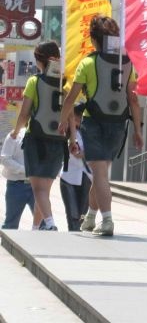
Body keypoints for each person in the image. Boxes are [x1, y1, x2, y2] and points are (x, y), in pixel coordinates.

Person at [58, 15, 143, 237]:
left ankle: (107, 220)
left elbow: (71, 97)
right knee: (100, 173)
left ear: (94, 39)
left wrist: (62, 121)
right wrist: (139, 130)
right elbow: (133, 98)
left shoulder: (88, 62)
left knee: (99, 174)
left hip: (94, 121)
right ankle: (91, 217)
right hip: (118, 124)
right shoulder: (127, 62)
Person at [11, 41, 67, 231]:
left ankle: (50, 224)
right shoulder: (63, 84)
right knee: (45, 190)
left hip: (36, 138)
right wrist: (73, 139)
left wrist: (16, 131)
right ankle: (36, 227)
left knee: (38, 189)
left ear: (39, 60)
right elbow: (69, 115)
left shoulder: (34, 81)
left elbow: (25, 112)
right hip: (59, 142)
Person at [60, 102, 93, 231]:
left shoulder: (89, 133)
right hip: (69, 178)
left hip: (87, 178)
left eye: (79, 116)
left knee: (83, 218)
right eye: (75, 116)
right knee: (72, 217)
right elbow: (76, 152)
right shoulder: (66, 133)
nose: (78, 119)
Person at [1, 127, 42, 230]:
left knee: (44, 224)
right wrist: (26, 170)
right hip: (16, 185)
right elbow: (5, 159)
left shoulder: (46, 137)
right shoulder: (15, 135)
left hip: (39, 186)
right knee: (11, 224)